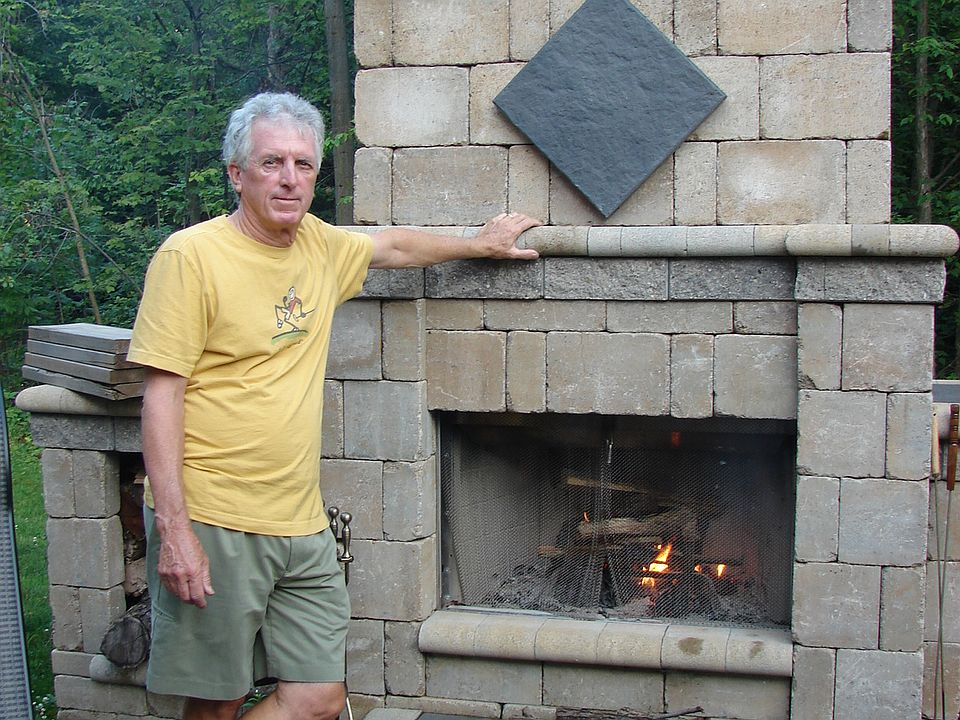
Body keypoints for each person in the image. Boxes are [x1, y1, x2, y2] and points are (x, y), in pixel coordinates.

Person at [127, 91, 540, 720]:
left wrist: (477, 245)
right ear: (237, 174)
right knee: (217, 700)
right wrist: (176, 532)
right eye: (271, 163)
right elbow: (161, 395)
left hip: (300, 521)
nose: (289, 179)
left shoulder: (318, 245)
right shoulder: (192, 258)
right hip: (214, 514)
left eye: (304, 164)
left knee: (319, 699)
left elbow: (392, 247)